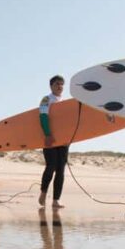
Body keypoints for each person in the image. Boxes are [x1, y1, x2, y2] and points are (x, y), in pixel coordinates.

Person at [38, 75, 68, 209]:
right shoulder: (46, 99)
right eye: (57, 84)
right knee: (51, 167)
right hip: (50, 138)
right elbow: (43, 116)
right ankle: (43, 192)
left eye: (62, 84)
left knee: (60, 170)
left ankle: (56, 200)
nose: (60, 86)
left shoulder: (66, 102)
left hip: (63, 141)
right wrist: (47, 134)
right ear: (51, 86)